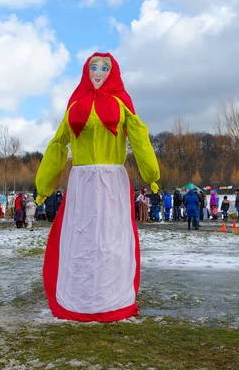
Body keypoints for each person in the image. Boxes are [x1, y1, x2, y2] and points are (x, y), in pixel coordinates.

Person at [35, 52, 160, 322]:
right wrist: (44, 185)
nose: (98, 73)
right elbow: (57, 145)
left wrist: (151, 173)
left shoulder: (122, 105)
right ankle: (79, 297)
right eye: (93, 67)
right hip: (82, 182)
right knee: (81, 239)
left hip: (112, 181)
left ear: (113, 73)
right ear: (85, 72)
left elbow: (139, 138)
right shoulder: (74, 106)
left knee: (110, 239)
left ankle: (111, 296)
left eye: (105, 68)